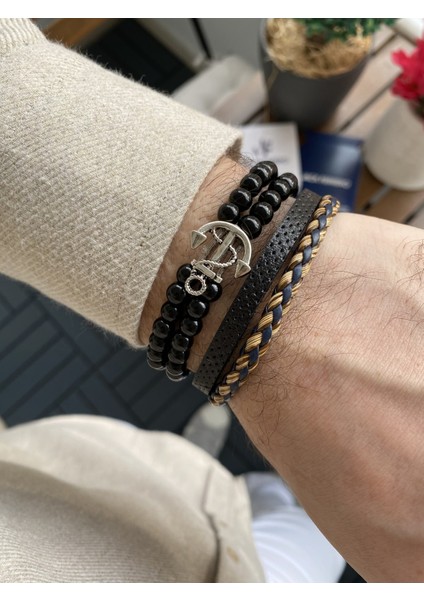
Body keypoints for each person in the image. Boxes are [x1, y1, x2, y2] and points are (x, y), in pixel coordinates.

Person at [0, 18, 423, 583]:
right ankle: (232, 483)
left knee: (200, 482)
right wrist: (299, 296)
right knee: (294, 531)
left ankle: (213, 473)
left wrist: (287, 272)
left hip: (78, 470)